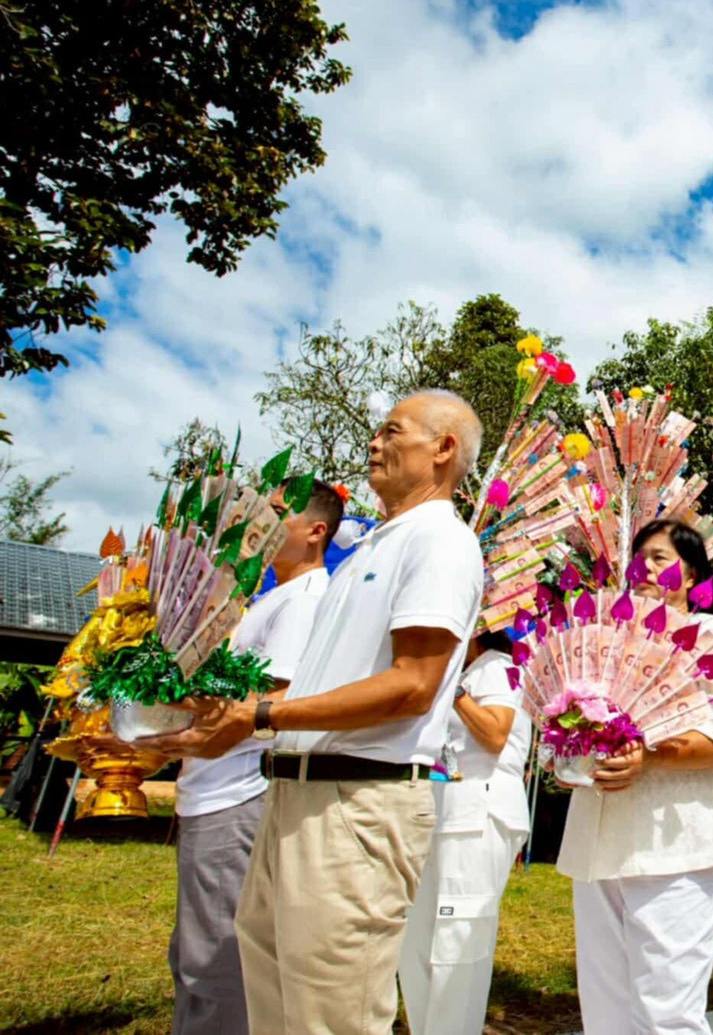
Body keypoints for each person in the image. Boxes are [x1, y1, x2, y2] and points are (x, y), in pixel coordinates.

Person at [144, 389, 486, 1031]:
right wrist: (220, 717)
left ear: (443, 449)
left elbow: (413, 683)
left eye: (393, 430)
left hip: (357, 807)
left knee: (332, 1016)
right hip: (295, 799)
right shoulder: (370, 549)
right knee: (275, 1009)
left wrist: (262, 719)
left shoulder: (441, 541)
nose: (374, 443)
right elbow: (320, 682)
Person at [556, 519, 713, 1033]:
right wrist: (570, 753)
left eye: (660, 558)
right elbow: (565, 724)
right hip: (597, 844)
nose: (646, 568)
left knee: (665, 1012)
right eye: (640, 557)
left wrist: (647, 756)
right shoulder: (598, 641)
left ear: (691, 572)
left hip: (677, 844)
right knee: (606, 1012)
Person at [166, 478, 340, 1034]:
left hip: (237, 792)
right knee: (197, 957)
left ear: (316, 532)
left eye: (275, 516)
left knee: (216, 966)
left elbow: (276, 702)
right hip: (213, 789)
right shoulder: (270, 596)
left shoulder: (306, 599)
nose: (258, 527)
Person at [398, 626, 533, 1033]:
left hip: (479, 815)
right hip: (435, 817)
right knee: (415, 944)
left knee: (457, 945)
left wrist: (453, 688)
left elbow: (494, 734)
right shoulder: (460, 670)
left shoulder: (498, 667)